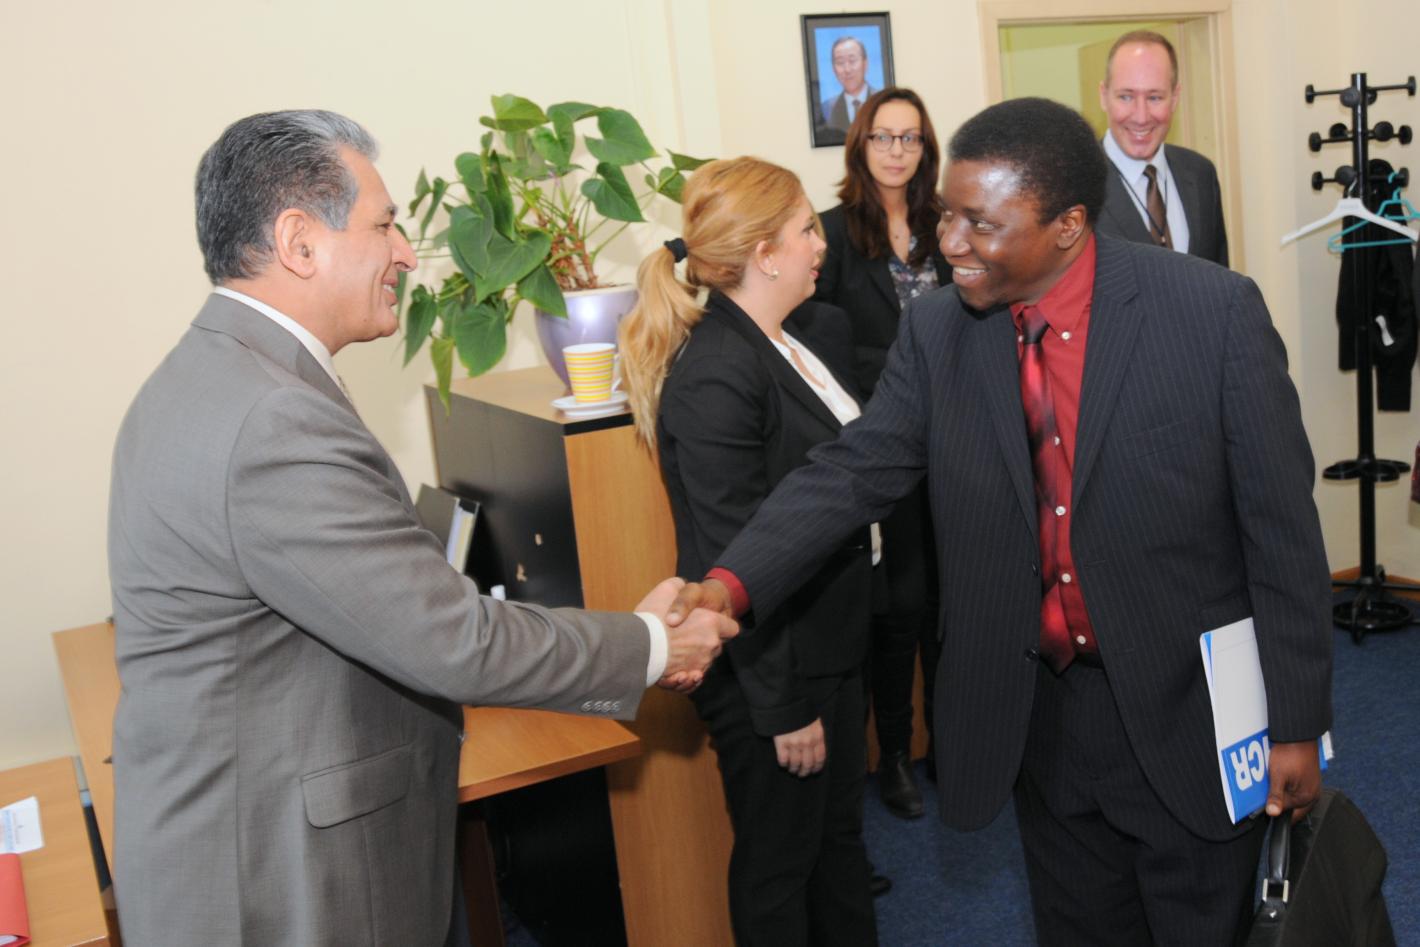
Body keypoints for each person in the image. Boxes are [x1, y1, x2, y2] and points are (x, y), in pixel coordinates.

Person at [669, 98, 1333, 946]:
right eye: (947, 214)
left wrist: (1298, 721)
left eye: (979, 223)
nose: (949, 242)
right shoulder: (939, 330)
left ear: (1067, 226)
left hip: (1186, 710)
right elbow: (852, 471)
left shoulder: (1211, 312)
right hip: (1039, 715)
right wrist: (728, 586)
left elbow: (1282, 534)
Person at [107, 109, 737, 947]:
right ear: (300, 242)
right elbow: (450, 639)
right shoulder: (271, 418)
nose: (406, 252)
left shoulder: (212, 373)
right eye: (384, 225)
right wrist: (651, 644)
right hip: (279, 878)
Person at [620, 157, 878, 946]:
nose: (820, 243)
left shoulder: (792, 340)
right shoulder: (717, 374)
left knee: (837, 849)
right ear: (764, 253)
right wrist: (783, 706)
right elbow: (734, 552)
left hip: (827, 646)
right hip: (772, 669)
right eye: (805, 230)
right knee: (781, 868)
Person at [812, 86, 950, 819]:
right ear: (860, 145)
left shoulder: (948, 225)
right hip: (883, 445)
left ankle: (950, 743)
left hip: (955, 444)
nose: (897, 151)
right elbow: (822, 343)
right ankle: (894, 754)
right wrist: (897, 370)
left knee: (951, 607)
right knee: (899, 610)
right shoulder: (831, 234)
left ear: (927, 149)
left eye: (911, 138)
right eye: (883, 137)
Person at [1095, 30, 1229, 266]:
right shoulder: (1075, 186)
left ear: (1175, 98)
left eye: (1154, 97)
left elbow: (1220, 279)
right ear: (1104, 96)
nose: (1141, 117)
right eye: (1126, 97)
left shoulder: (1200, 174)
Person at [818, 36, 876, 143]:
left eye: (852, 61)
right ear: (833, 69)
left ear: (865, 64)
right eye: (840, 62)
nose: (847, 69)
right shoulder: (826, 108)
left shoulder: (882, 102)